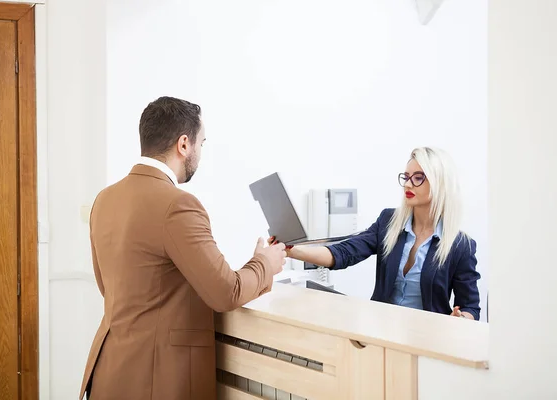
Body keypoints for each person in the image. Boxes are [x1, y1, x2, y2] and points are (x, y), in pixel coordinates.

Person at [79, 96, 287, 400]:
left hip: (109, 372)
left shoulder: (105, 199)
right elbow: (225, 292)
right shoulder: (178, 205)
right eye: (202, 143)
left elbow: (110, 287)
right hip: (157, 380)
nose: (201, 154)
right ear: (184, 144)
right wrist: (264, 262)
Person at [273, 147, 481, 320]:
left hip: (428, 341)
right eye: (406, 177)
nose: (408, 184)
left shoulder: (460, 245)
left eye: (418, 178)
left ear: (439, 183)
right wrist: (292, 250)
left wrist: (462, 318)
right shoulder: (389, 222)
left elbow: (471, 307)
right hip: (382, 331)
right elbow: (344, 253)